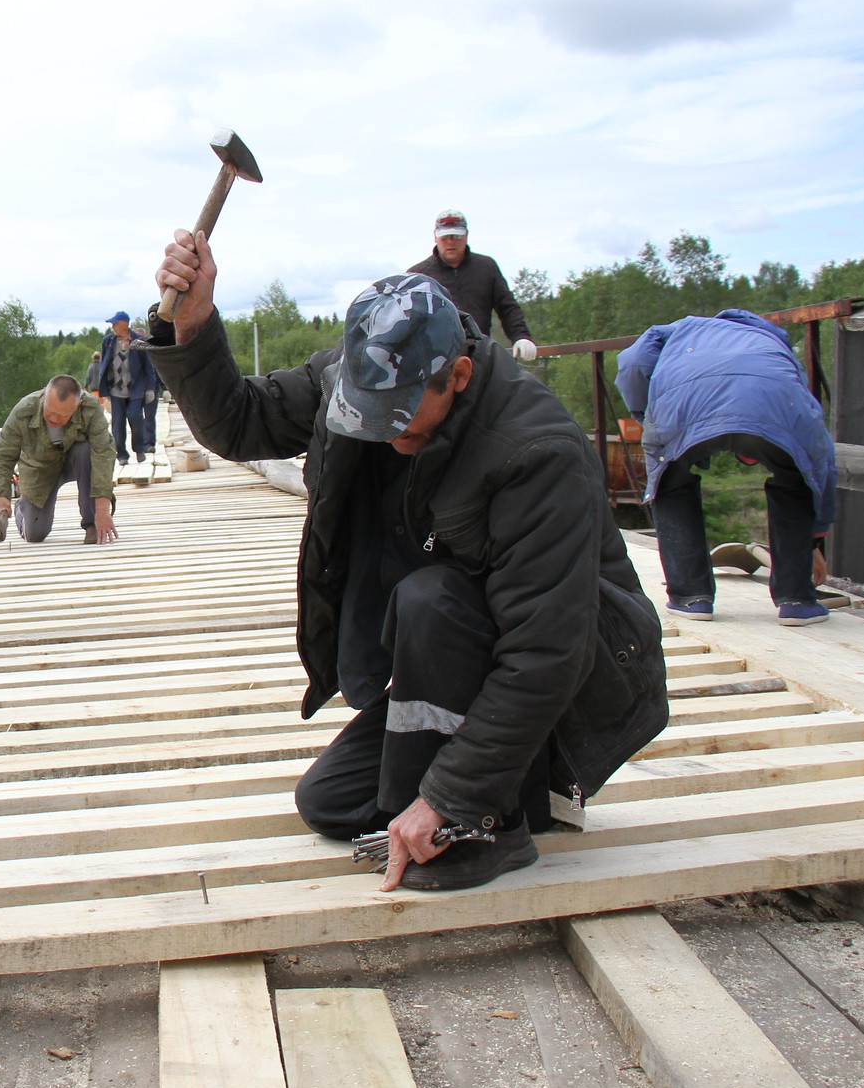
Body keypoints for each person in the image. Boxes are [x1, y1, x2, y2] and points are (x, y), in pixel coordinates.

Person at [152, 231, 668, 892]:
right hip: (457, 661)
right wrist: (192, 323)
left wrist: (450, 798)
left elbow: (547, 653)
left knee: (433, 598)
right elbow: (241, 423)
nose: (383, 431)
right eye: (367, 413)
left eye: (399, 417)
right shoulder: (353, 375)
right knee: (331, 803)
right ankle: (518, 786)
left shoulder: (536, 451)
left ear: (458, 374)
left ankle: (492, 819)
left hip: (574, 679)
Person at [617, 310, 837, 626]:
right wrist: (814, 537)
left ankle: (691, 598)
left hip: (682, 406)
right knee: (796, 475)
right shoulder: (776, 345)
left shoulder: (679, 330)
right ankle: (798, 601)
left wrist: (645, 414)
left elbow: (633, 364)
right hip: (776, 405)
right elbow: (820, 458)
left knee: (670, 481)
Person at [0, 376, 119, 545]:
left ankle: (91, 523)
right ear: (44, 397)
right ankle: (23, 505)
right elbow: (2, 457)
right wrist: (1, 496)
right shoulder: (24, 411)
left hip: (75, 460)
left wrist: (102, 510)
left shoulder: (90, 408)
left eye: (63, 416)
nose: (55, 420)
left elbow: (103, 455)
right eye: (50, 411)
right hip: (39, 469)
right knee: (35, 534)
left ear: (77, 406)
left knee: (85, 450)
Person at [408, 209, 537, 363]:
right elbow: (408, 321)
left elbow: (507, 307)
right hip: (437, 363)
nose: (450, 241)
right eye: (445, 236)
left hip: (481, 356)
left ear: (466, 236)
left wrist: (521, 336)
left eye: (456, 236)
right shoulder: (418, 275)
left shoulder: (486, 267)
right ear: (435, 237)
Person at [96, 311, 158, 464]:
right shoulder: (108, 341)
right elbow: (103, 365)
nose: (113, 327)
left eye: (115, 324)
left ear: (124, 324)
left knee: (135, 417)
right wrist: (104, 389)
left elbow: (148, 367)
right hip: (116, 390)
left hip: (135, 389)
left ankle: (139, 449)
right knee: (117, 424)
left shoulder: (139, 341)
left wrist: (150, 389)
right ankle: (122, 455)